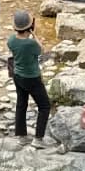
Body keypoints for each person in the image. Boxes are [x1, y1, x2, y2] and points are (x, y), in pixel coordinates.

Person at [7, 10, 53, 146]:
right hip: (32, 78)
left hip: (18, 76)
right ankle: (38, 139)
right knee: (44, 106)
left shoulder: (11, 40)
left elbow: (16, 49)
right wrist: (35, 35)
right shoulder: (32, 44)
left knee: (21, 105)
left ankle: (22, 136)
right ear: (30, 27)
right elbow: (42, 50)